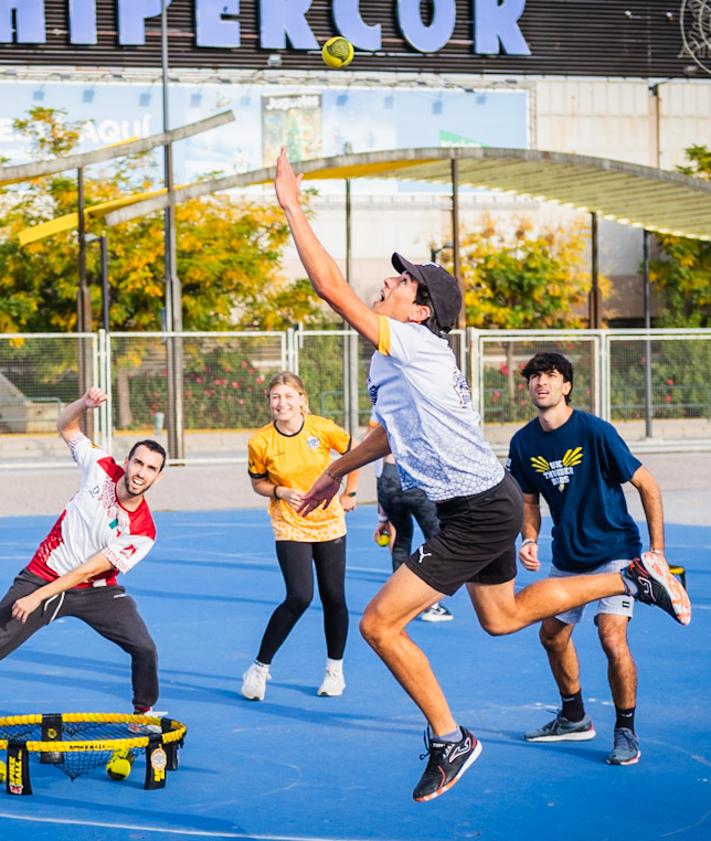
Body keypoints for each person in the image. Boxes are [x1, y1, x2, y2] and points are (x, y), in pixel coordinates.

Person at [272, 148, 691, 803]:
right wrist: (335, 469)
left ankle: (449, 737)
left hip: (475, 508)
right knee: (502, 617)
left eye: (404, 281)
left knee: (379, 625)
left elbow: (329, 288)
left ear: (419, 309)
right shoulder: (396, 360)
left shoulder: (410, 343)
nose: (391, 281)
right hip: (484, 500)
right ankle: (630, 575)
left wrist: (292, 206)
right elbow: (389, 431)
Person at [507, 351, 670, 766]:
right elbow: (529, 500)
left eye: (550, 375)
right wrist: (529, 538)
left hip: (616, 554)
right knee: (551, 635)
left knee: (611, 637)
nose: (540, 382)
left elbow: (647, 485)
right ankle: (574, 717)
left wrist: (657, 553)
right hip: (567, 557)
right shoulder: (523, 442)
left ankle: (626, 731)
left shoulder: (596, 431)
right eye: (534, 377)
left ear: (566, 386)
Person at [0, 387, 166, 715]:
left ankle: (142, 715)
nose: (141, 473)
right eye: (138, 463)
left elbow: (89, 570)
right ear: (126, 462)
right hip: (41, 574)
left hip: (95, 592)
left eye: (150, 469)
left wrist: (37, 599)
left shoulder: (143, 531)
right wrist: (84, 404)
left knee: (144, 648)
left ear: (157, 478)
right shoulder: (100, 465)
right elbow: (66, 426)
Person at [241, 371, 358, 701]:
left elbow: (354, 454)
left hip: (329, 521)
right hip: (289, 522)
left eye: (289, 396)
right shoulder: (260, 442)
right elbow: (258, 483)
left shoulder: (322, 429)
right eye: (276, 397)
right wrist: (279, 489)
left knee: (334, 596)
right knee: (300, 596)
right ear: (269, 403)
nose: (283, 403)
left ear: (302, 400)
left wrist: (351, 491)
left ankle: (334, 670)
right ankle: (259, 668)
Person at [368, 419, 452, 622]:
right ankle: (430, 604)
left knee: (401, 541)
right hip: (415, 478)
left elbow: (377, 464)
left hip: (389, 478)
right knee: (436, 540)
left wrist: (382, 515)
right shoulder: (422, 408)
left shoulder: (385, 411)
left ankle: (397, 603)